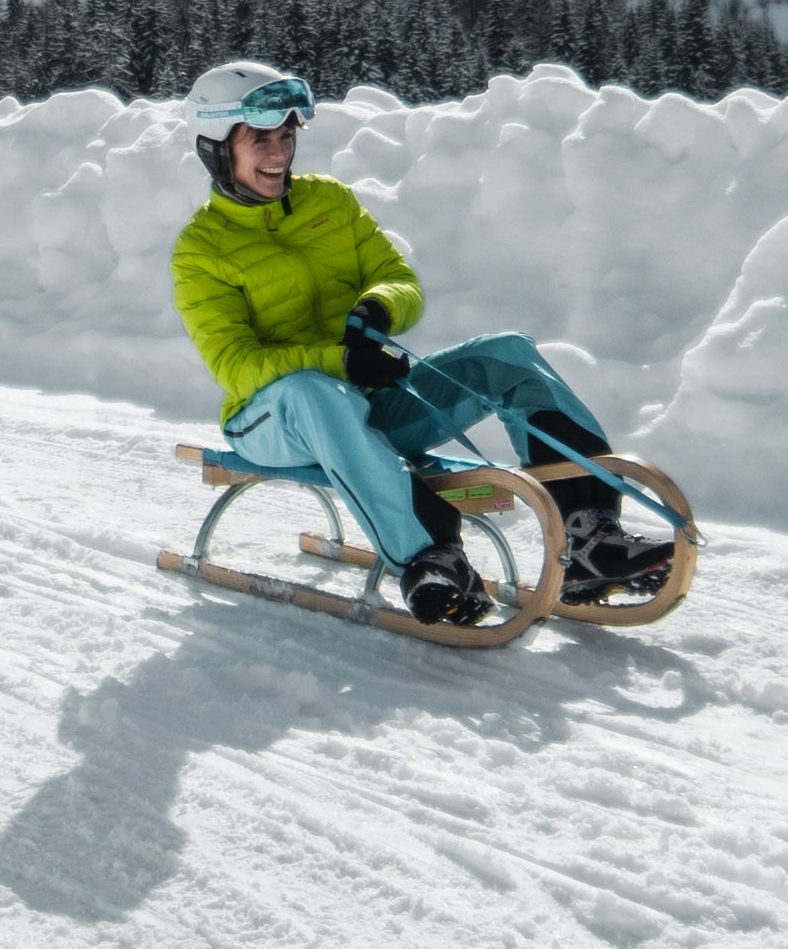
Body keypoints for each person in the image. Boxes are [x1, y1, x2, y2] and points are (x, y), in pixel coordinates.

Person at [167, 68, 667, 625]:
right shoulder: (200, 250)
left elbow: (399, 279)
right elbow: (236, 366)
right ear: (215, 147)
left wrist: (378, 306)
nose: (279, 152)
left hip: (367, 401)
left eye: (287, 136)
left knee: (506, 352)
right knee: (315, 393)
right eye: (259, 139)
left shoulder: (328, 202)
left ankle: (591, 534)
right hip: (272, 421)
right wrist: (338, 360)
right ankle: (430, 556)